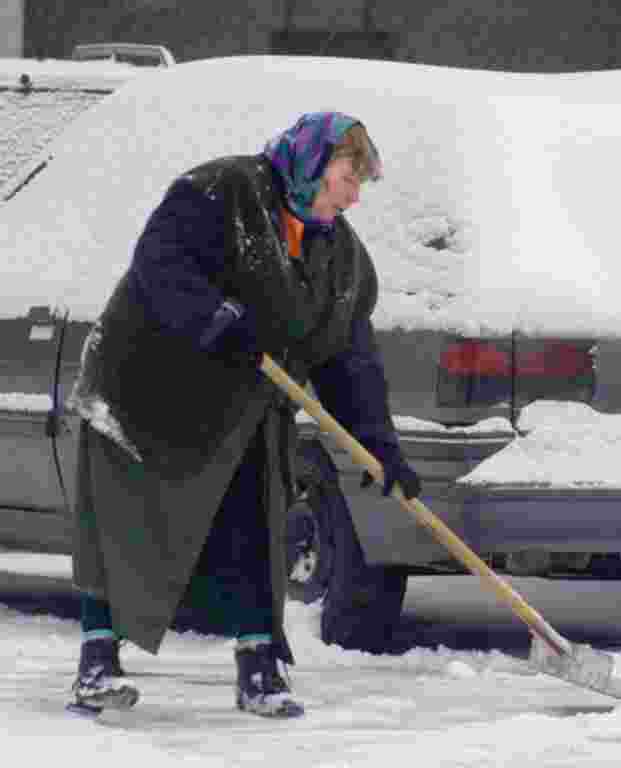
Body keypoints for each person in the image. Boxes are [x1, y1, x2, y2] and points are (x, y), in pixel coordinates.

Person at [65, 111, 421, 719]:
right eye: (345, 176)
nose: (353, 194)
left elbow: (348, 360)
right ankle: (97, 662)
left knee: (254, 520)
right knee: (125, 523)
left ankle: (259, 669)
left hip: (242, 399)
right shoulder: (220, 192)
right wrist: (217, 318)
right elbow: (160, 264)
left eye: (360, 182)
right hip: (145, 387)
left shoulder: (342, 259)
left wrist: (380, 445)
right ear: (310, 166)